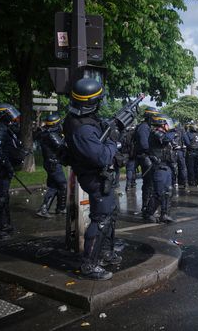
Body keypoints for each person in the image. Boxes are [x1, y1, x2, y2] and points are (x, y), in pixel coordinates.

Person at [63, 78, 121, 280]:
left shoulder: (79, 120)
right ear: (90, 102)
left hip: (96, 176)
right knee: (101, 220)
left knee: (109, 215)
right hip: (95, 178)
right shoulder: (82, 129)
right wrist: (114, 140)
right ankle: (89, 264)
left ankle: (104, 252)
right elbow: (102, 156)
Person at [0, 103, 26, 240]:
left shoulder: (2, 127)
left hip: (1, 169)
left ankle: (3, 225)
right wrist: (8, 165)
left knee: (4, 198)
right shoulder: (0, 127)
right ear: (4, 114)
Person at [143, 113, 178, 223]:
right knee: (159, 192)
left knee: (168, 192)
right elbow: (165, 139)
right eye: (168, 124)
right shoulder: (156, 133)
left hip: (166, 166)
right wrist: (174, 131)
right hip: (159, 167)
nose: (170, 126)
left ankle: (165, 214)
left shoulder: (164, 133)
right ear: (162, 124)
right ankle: (148, 213)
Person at [35, 113, 67, 218]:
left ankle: (45, 209)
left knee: (54, 186)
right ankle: (60, 208)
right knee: (62, 185)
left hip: (50, 163)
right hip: (53, 163)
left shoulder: (46, 133)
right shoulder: (51, 135)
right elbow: (61, 147)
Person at [134, 107, 158, 214]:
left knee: (151, 182)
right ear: (149, 117)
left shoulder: (147, 127)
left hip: (147, 156)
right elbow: (144, 145)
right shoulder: (143, 127)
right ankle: (146, 206)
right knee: (149, 183)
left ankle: (148, 206)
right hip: (145, 157)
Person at [185, 122, 198, 187]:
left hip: (190, 152)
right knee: (197, 167)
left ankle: (191, 181)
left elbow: (187, 143)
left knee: (190, 167)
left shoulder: (187, 134)